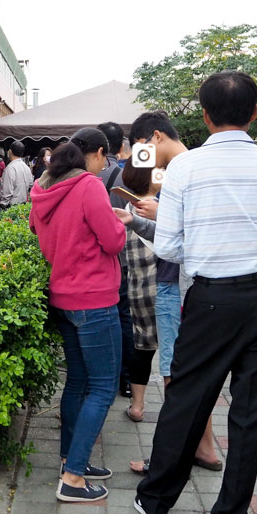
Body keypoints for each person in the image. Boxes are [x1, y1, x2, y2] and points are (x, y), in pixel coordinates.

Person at [133, 72, 257, 514]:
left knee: (187, 398)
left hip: (210, 299)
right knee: (251, 413)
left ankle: (154, 501)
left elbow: (168, 246)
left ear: (205, 115)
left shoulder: (185, 171)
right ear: (255, 115)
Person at [29, 128, 126, 503]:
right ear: (97, 153)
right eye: (107, 157)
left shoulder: (43, 189)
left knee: (77, 383)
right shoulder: (88, 187)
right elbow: (113, 240)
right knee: (102, 388)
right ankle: (72, 478)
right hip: (95, 299)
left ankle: (73, 459)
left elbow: (38, 231)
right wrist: (121, 221)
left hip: (64, 297)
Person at [123, 111, 222, 472]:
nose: (140, 157)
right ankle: (205, 449)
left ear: (157, 137)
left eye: (142, 149)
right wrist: (138, 220)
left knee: (174, 374)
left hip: (176, 285)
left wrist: (158, 212)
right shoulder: (193, 164)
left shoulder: (182, 170)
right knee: (192, 372)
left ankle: (168, 459)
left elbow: (195, 226)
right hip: (195, 284)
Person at [115, 156, 159, 424]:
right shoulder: (161, 208)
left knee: (143, 345)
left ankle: (137, 406)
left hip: (137, 290)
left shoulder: (127, 210)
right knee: (174, 352)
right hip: (168, 289)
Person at [98, 121, 135, 399]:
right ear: (121, 145)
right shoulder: (129, 177)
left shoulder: (90, 177)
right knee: (124, 318)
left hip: (95, 261)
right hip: (124, 258)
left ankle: (103, 380)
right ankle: (125, 381)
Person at [0, 140, 32, 208]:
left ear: (10, 151)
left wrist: (3, 204)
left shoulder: (10, 168)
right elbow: (31, 185)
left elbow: (7, 191)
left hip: (11, 206)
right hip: (23, 205)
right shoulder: (26, 168)